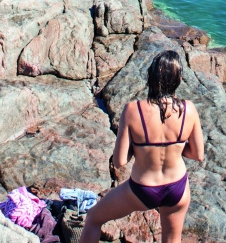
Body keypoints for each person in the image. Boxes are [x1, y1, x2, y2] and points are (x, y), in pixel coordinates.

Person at [79, 51, 204, 243]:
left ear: (151, 77)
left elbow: (120, 162)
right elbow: (197, 154)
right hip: (177, 187)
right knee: (172, 238)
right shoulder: (189, 109)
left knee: (94, 219)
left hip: (143, 189)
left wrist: (142, 149)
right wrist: (175, 147)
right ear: (178, 79)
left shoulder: (132, 110)